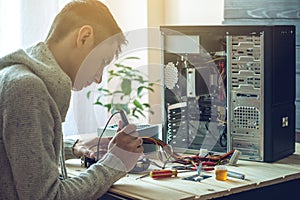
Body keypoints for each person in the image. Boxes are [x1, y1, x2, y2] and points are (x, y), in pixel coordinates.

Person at [0, 0, 144, 199]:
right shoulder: (28, 90)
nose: (99, 77)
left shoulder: (15, 75)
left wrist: (72, 147)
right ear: (84, 37)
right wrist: (115, 163)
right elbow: (48, 196)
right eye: (102, 61)